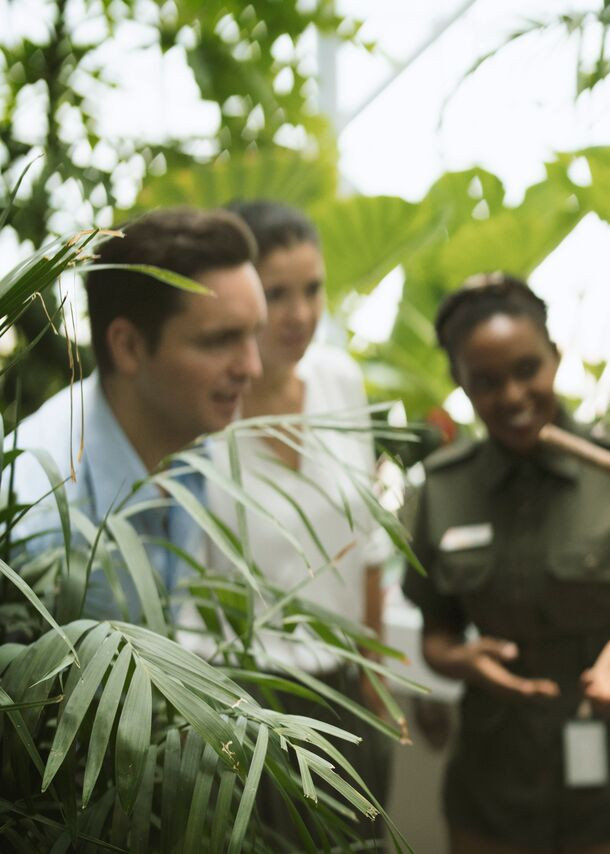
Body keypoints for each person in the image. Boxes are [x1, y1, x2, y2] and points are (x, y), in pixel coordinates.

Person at [402, 273, 610, 854]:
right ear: (462, 385)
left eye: (528, 369)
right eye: (487, 381)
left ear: (555, 357)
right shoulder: (443, 489)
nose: (514, 396)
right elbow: (436, 637)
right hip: (495, 793)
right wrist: (465, 660)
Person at [206, 200, 392, 843]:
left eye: (312, 289)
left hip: (344, 701)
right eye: (276, 293)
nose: (300, 314)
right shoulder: (206, 411)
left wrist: (372, 672)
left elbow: (367, 541)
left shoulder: (339, 379)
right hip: (243, 708)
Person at [7, 207, 265, 620]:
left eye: (255, 335)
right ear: (127, 346)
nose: (252, 367)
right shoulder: (37, 523)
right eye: (220, 340)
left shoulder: (195, 447)